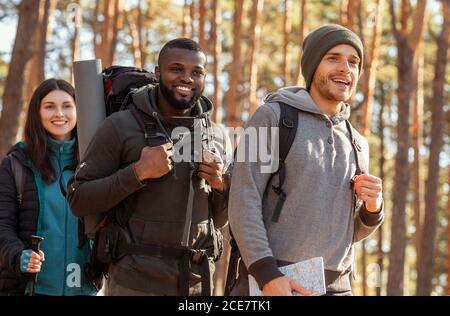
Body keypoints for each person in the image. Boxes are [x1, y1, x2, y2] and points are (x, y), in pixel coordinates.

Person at [228, 24, 384, 296]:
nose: (346, 68)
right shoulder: (271, 118)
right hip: (274, 283)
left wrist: (373, 209)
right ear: (313, 66)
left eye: (353, 61)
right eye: (333, 58)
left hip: (338, 288)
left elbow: (347, 234)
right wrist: (268, 276)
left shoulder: (358, 142)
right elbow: (243, 201)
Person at [67, 38, 232, 296]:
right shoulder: (121, 126)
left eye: (196, 72)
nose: (187, 78)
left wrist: (221, 185)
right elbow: (79, 199)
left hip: (198, 286)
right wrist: (137, 173)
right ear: (157, 73)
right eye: (176, 69)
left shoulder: (217, 135)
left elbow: (220, 219)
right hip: (135, 282)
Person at [0, 79, 97, 296]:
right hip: (31, 288)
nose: (59, 114)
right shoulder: (16, 163)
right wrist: (18, 255)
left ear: (78, 110)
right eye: (49, 106)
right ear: (37, 112)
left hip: (84, 288)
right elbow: (3, 224)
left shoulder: (95, 161)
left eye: (67, 106)